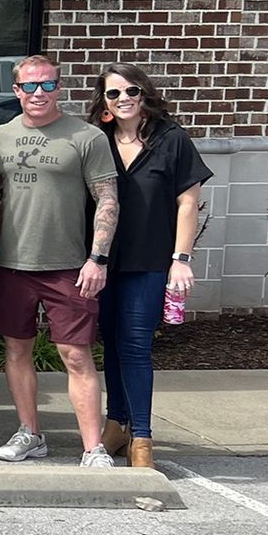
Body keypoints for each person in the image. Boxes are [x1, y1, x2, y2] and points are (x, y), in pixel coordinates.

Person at [0, 56, 121, 468]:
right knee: (16, 350)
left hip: (68, 265)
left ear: (59, 87)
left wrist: (97, 258)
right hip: (12, 263)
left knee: (76, 355)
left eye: (47, 85)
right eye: (29, 86)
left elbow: (108, 198)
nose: (38, 93)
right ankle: (31, 434)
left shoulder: (86, 137)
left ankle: (93, 448)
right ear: (16, 91)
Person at [88, 63, 211, 470]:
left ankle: (142, 437)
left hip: (149, 260)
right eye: (113, 93)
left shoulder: (172, 139)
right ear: (103, 102)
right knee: (111, 342)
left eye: (131, 91)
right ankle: (116, 423)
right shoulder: (98, 140)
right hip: (103, 262)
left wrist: (181, 259)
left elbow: (187, 203)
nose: (123, 99)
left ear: (145, 94)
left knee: (136, 345)